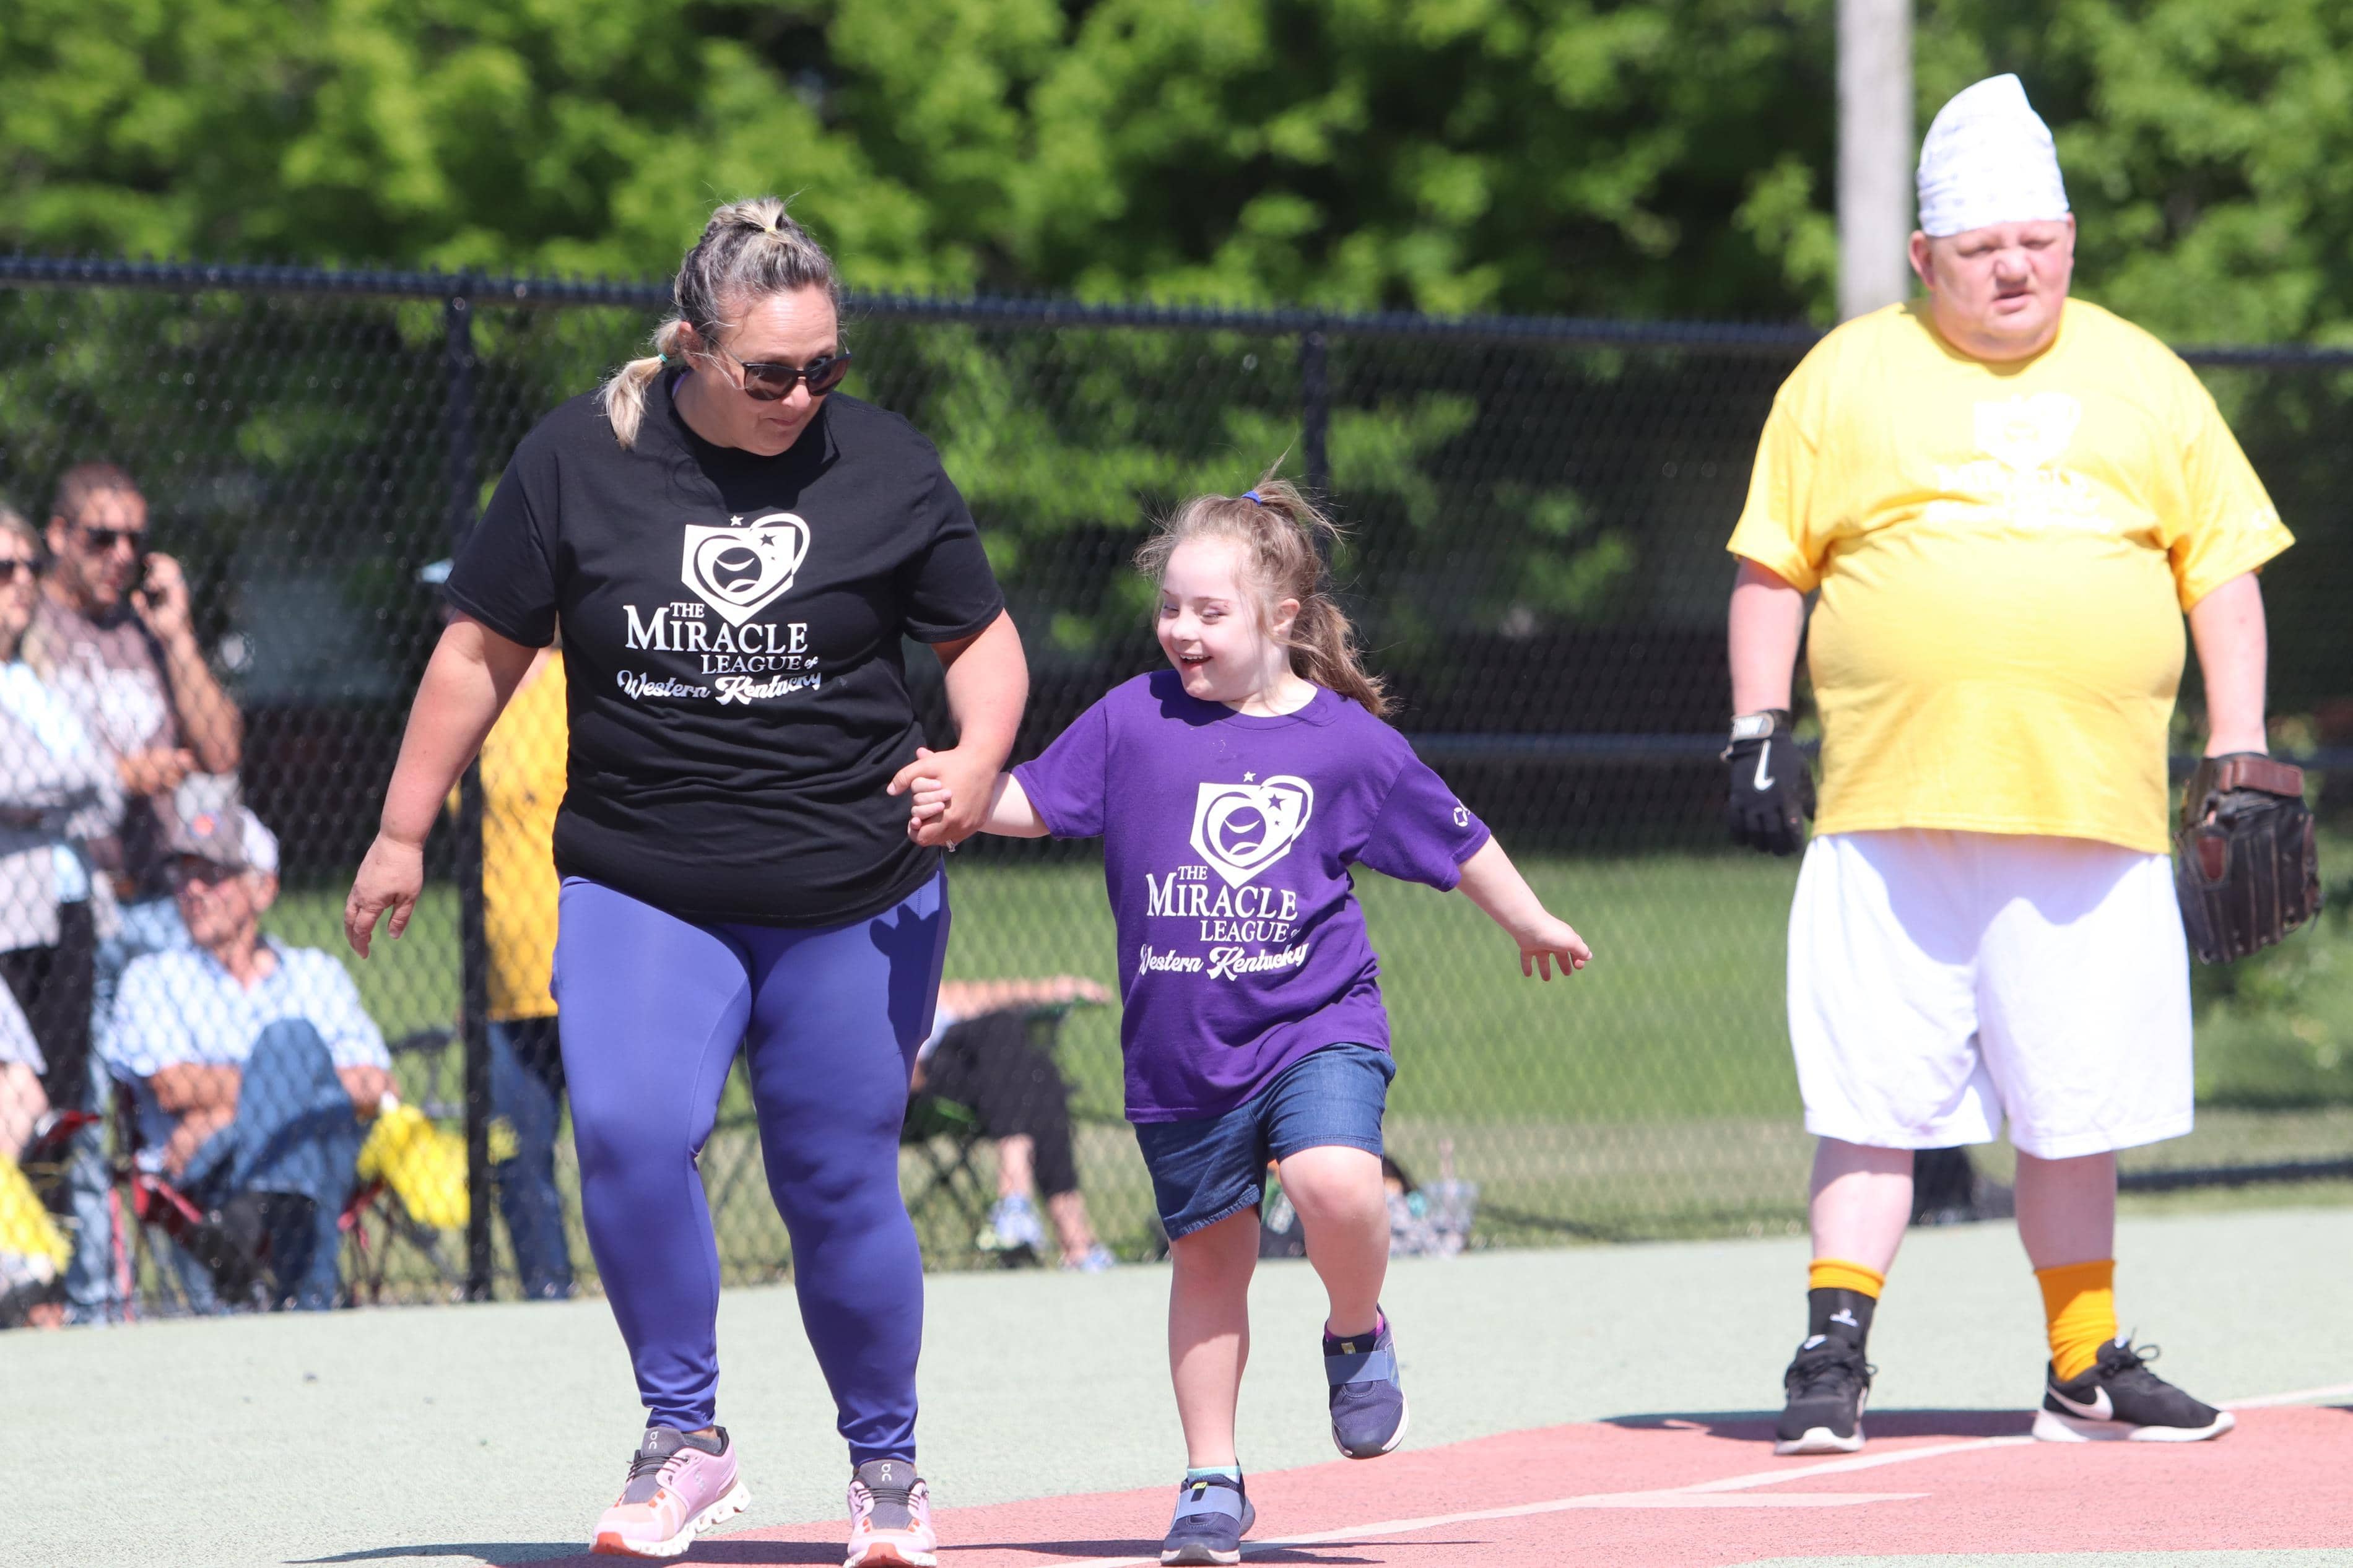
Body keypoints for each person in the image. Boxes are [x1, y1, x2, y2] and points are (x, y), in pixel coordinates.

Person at [344, 197, 1025, 1566]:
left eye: (825, 367)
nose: (801, 396)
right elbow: (477, 652)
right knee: (632, 1133)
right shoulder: (575, 460)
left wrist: (974, 758)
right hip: (647, 880)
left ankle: (885, 1464)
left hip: (854, 884)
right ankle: (683, 1436)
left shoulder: (886, 463)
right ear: (690, 347)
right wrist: (402, 828)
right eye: (769, 373)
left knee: (834, 1175)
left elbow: (986, 645)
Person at [1722, 75, 2290, 1455]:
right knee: (1870, 1090)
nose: (2015, 266)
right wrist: (1756, 728)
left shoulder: (2143, 375)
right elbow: (1771, 565)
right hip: (1890, 803)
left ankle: (2083, 1363)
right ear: (1926, 257)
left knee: (2075, 1097)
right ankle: (1833, 1350)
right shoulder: (1847, 374)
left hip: (2091, 804)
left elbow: (2220, 572)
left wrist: (2241, 744)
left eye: (2038, 240)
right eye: (1982, 248)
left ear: (2071, 238)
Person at [905, 476, 1591, 1567]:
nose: (1181, 629)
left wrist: (1530, 917)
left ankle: (1356, 1328)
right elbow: (1039, 798)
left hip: (1317, 1019)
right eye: (1171, 606)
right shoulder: (1134, 718)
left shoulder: (1344, 742)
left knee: (1335, 1182)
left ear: (1280, 616)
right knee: (1210, 1261)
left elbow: (1455, 834)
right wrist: (965, 793)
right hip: (1182, 1051)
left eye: (1209, 611)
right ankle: (1211, 1478)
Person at [103, 806, 393, 1310]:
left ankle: (250, 1227)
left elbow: (378, 1085)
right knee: (301, 1070)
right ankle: (308, 1301)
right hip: (208, 1171)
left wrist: (222, 1111)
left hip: (285, 1149)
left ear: (264, 889)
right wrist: (294, 1094)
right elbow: (173, 1086)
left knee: (291, 1042)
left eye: (213, 875)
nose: (193, 890)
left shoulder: (315, 973)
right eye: (184, 875)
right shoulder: (152, 977)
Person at [428, 558, 576, 1301]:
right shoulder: (466, 704)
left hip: (587, 970)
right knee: (516, 1160)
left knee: (632, 1154)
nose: (449, 616)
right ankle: (549, 1301)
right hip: (503, 988)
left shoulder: (571, 686)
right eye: (442, 604)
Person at [914, 975, 1116, 1271]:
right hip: (919, 1087)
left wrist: (1053, 989)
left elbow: (972, 996)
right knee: (1000, 1030)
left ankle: (1062, 1235)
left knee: (1040, 1076)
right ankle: (1030, 1208)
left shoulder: (915, 983)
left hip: (977, 1081)